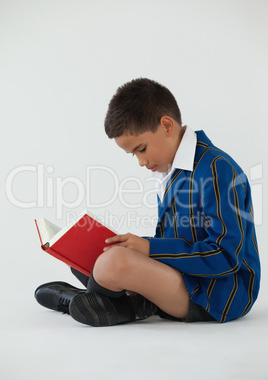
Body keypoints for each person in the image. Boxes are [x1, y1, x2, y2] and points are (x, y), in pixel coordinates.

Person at [35, 78, 261, 326]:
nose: (141, 162)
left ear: (166, 126)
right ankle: (118, 301)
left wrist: (150, 249)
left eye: (141, 149)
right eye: (134, 155)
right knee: (96, 255)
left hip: (218, 293)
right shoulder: (167, 171)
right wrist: (140, 245)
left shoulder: (217, 169)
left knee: (112, 262)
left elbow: (227, 257)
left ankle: (97, 300)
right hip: (184, 278)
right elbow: (182, 240)